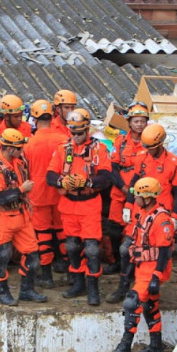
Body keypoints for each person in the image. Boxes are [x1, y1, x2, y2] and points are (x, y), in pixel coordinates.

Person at [48, 108, 112, 306]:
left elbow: (106, 177)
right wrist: (62, 182)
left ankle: (93, 288)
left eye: (79, 133)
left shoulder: (99, 149)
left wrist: (86, 182)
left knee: (92, 249)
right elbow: (50, 175)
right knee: (71, 246)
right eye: (72, 132)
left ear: (87, 130)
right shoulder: (63, 149)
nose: (75, 136)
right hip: (69, 204)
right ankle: (78, 284)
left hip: (89, 204)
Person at [108, 177, 175, 352]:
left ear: (147, 197)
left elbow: (164, 251)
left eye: (137, 196)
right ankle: (156, 346)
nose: (134, 199)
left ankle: (125, 346)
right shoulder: (144, 214)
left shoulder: (162, 220)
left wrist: (157, 276)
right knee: (150, 305)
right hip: (142, 268)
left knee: (132, 302)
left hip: (153, 270)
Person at [0, 128, 49, 306]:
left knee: (32, 255)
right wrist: (22, 190)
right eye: (19, 148)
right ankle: (3, 293)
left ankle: (26, 290)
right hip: (3, 218)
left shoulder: (19, 161)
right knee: (3, 256)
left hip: (21, 216)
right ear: (9, 148)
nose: (22, 151)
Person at [23, 99, 65, 287]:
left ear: (34, 118)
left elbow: (25, 171)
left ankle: (46, 276)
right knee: (63, 232)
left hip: (38, 194)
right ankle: (70, 272)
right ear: (53, 115)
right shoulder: (64, 140)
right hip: (60, 192)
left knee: (43, 234)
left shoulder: (30, 144)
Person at [106, 103, 150, 280]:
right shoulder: (121, 142)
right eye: (136, 121)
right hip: (120, 191)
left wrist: (134, 193)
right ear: (130, 122)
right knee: (114, 229)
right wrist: (124, 189)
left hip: (141, 195)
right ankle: (116, 261)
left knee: (135, 230)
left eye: (142, 121)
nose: (139, 124)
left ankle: (131, 265)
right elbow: (112, 168)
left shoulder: (150, 142)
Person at [127, 123, 177, 219]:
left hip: (163, 209)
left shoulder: (173, 164)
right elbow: (133, 183)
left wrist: (175, 215)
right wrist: (128, 204)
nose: (148, 151)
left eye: (150, 149)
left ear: (160, 145)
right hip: (141, 208)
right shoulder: (141, 157)